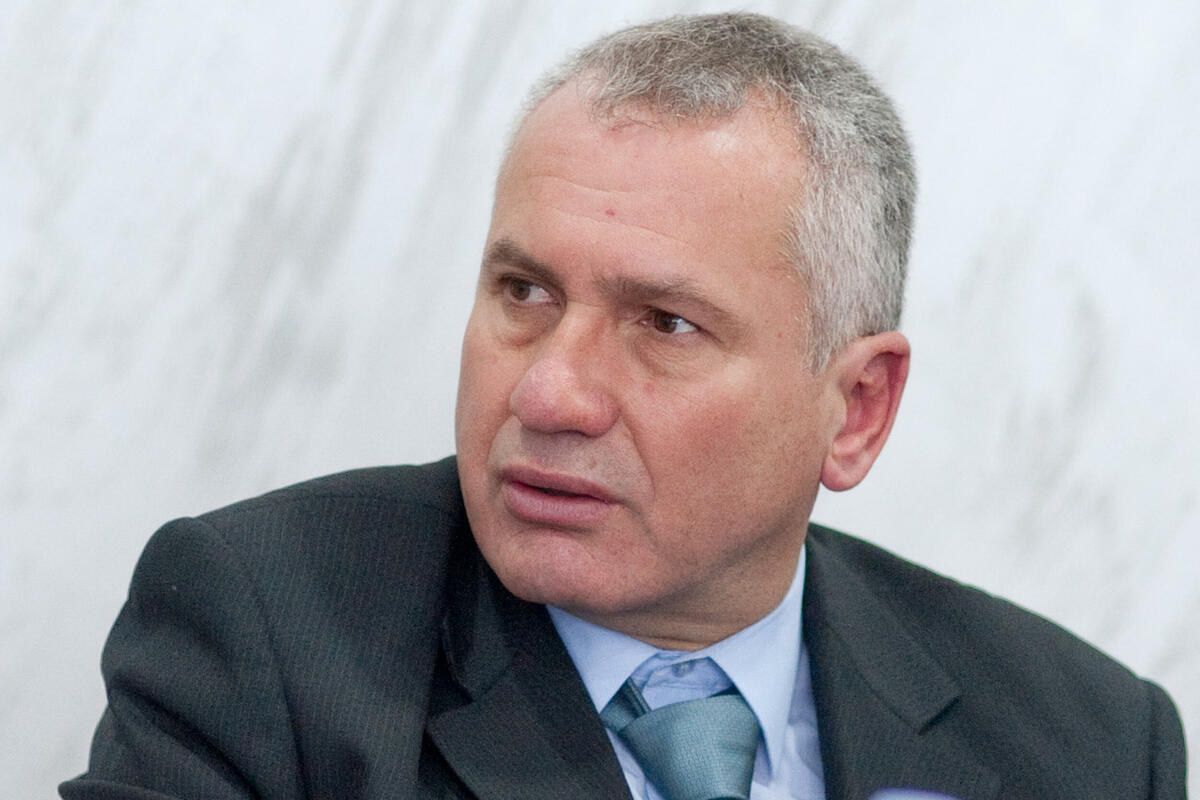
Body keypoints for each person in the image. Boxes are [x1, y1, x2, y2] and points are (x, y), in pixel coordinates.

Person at [61, 12, 1186, 800]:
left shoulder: (1093, 745)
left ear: (855, 409)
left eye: (666, 324)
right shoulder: (264, 639)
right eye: (524, 292)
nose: (548, 391)